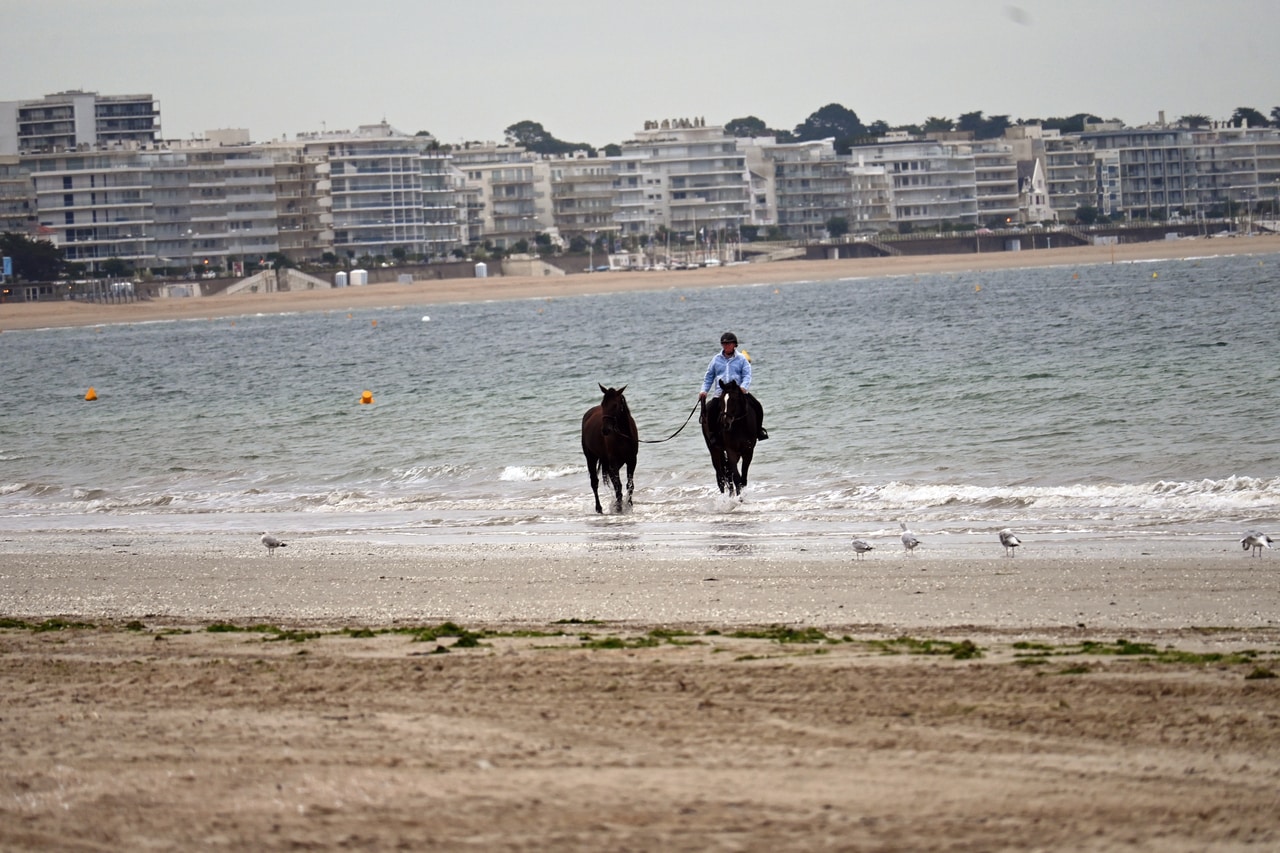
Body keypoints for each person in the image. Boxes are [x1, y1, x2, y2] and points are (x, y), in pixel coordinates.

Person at [698, 331, 768, 440]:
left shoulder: (741, 359)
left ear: (735, 345)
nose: (726, 346)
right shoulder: (716, 359)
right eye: (724, 344)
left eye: (729, 343)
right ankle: (713, 435)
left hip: (738, 392)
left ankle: (758, 431)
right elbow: (709, 377)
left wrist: (743, 387)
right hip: (721, 393)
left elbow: (747, 375)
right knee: (710, 410)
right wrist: (704, 391)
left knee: (757, 406)